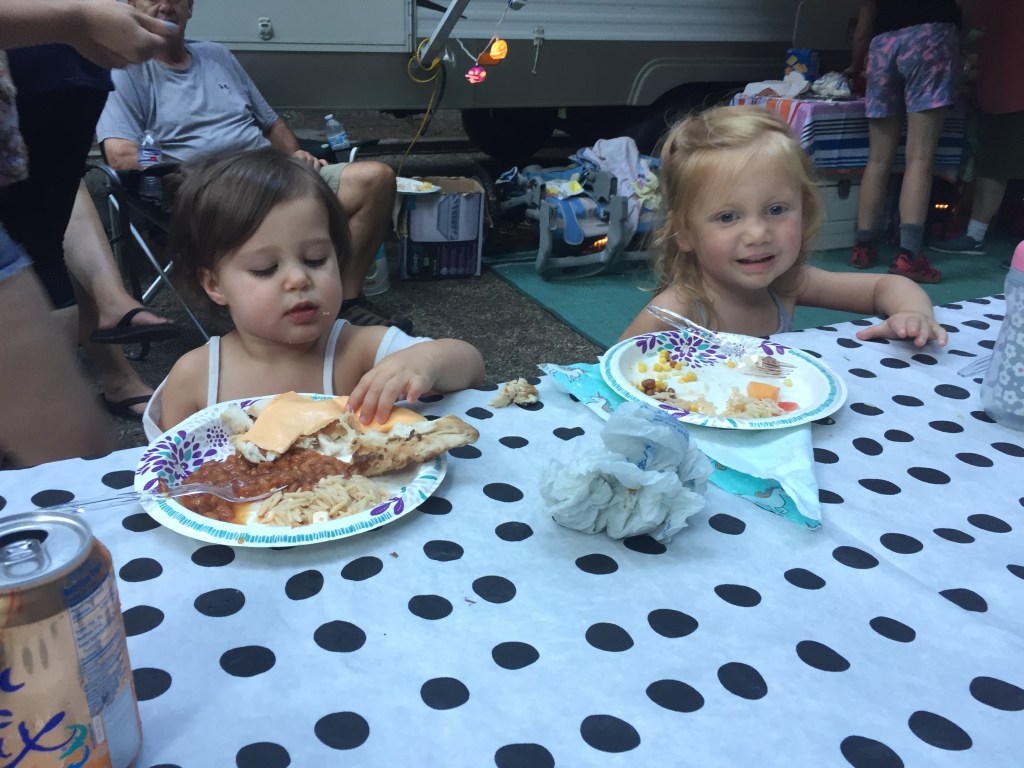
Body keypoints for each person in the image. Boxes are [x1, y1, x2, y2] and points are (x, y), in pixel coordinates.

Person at [96, 0, 399, 328]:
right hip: (211, 189)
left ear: (191, 8)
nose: (166, 4)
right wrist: (180, 167)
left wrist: (295, 155)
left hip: (273, 173)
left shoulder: (216, 55)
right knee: (278, 217)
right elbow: (121, 154)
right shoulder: (124, 70)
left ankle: (344, 303)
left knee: (375, 179)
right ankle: (284, 315)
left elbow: (271, 124)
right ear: (131, 5)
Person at [142, 148, 484, 438]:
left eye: (315, 259)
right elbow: (170, 471)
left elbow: (471, 367)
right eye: (265, 268)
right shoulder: (195, 377)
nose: (298, 279)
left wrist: (425, 361)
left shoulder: (358, 351)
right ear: (215, 285)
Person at [0, 0, 177, 466]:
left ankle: (112, 315)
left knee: (65, 444)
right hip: (55, 64)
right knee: (59, 442)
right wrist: (74, 20)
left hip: (52, 85)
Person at [617, 106, 947, 350]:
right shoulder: (677, 309)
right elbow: (610, 374)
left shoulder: (787, 283)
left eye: (776, 210)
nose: (758, 234)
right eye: (728, 217)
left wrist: (912, 314)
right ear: (686, 233)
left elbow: (886, 286)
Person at [845, 0, 962, 284]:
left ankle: (863, 247)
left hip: (883, 45)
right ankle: (908, 256)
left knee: (878, 157)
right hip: (930, 38)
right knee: (920, 157)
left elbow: (865, 20)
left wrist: (854, 65)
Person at [931, 0, 1023, 262]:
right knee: (993, 166)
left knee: (993, 167)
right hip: (1001, 89)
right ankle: (975, 234)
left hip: (1006, 90)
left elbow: (975, 32)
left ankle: (975, 234)